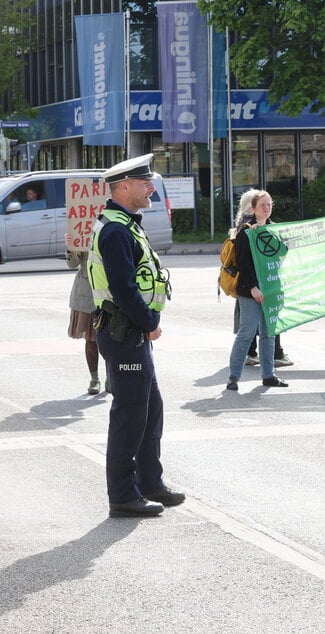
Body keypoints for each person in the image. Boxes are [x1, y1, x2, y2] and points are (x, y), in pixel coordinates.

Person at [87, 153, 184, 517]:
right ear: (124, 187)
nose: (151, 189)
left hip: (130, 332)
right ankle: (123, 495)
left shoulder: (125, 223)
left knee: (150, 410)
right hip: (125, 331)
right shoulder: (115, 230)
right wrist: (149, 323)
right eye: (146, 183)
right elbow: (124, 290)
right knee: (129, 415)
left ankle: (150, 482)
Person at [226, 190, 289, 391]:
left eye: (269, 204)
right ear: (253, 209)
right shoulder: (246, 232)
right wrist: (253, 287)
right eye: (262, 205)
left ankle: (269, 375)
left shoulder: (274, 230)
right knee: (246, 333)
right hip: (250, 291)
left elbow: (282, 254)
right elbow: (243, 263)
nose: (267, 208)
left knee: (269, 333)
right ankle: (233, 377)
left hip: (271, 289)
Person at [65, 238, 102, 395]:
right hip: (87, 292)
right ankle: (94, 379)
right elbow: (72, 264)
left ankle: (112, 377)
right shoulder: (81, 232)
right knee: (91, 339)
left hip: (109, 290)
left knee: (111, 339)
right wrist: (71, 247)